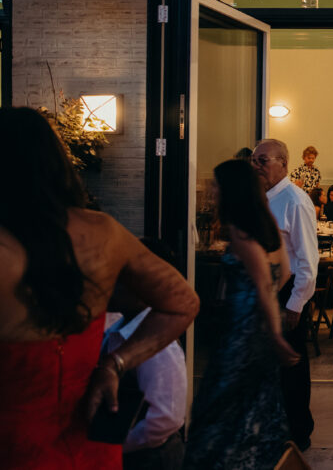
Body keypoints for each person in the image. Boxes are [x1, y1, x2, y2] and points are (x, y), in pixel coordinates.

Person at [0, 107, 199, 469]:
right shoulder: (103, 232)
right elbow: (183, 301)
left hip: (16, 448)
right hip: (91, 445)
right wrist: (114, 365)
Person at [184, 159, 299, 469]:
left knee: (217, 406)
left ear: (230, 189)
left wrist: (273, 332)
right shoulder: (268, 226)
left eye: (216, 184)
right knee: (255, 406)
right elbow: (285, 272)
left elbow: (262, 282)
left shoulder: (239, 230)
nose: (212, 190)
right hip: (259, 328)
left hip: (242, 331)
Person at [250, 138, 318, 451]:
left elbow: (307, 259)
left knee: (291, 368)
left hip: (287, 291)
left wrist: (295, 304)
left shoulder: (295, 200)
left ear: (284, 164)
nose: (257, 166)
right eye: (254, 160)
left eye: (263, 160)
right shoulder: (259, 198)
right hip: (263, 291)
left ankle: (297, 431)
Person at [105, 238, 187, 470]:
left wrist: (119, 444)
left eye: (118, 279)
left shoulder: (159, 344)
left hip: (151, 457)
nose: (109, 284)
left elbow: (166, 418)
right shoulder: (117, 329)